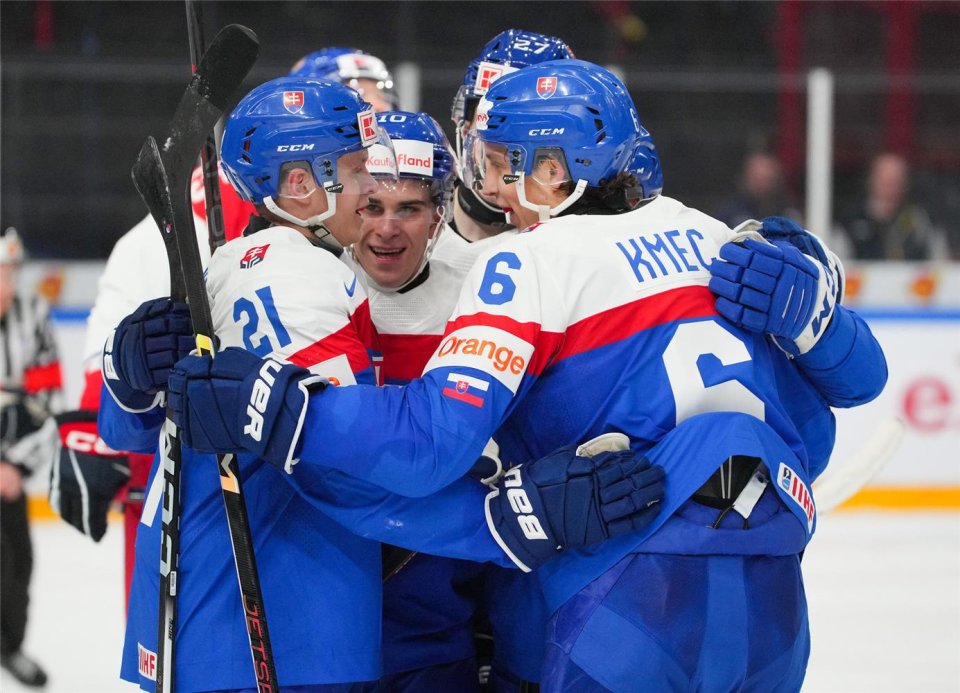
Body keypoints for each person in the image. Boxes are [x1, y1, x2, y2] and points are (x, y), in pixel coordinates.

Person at [170, 60, 888, 690]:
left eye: (499, 163)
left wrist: (288, 412)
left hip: (630, 602)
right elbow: (819, 426)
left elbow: (428, 446)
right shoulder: (709, 232)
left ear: (554, 170)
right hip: (773, 599)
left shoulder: (524, 263)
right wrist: (824, 317)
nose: (491, 190)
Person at [103, 76, 664, 691]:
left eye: (407, 202)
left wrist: (128, 380)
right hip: (282, 627)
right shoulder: (299, 277)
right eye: (358, 175)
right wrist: (515, 521)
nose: (374, 196)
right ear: (299, 186)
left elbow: (151, 431)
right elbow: (338, 470)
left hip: (240, 620)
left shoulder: (239, 268)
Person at [49, 43, 402, 602]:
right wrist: (96, 410)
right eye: (360, 114)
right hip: (230, 479)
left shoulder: (395, 193)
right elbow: (145, 293)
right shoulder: (228, 199)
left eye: (381, 110)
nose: (378, 128)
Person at [0, 227, 61, 687]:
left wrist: (16, 464)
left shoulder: (33, 315)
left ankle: (9, 647)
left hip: (10, 477)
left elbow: (50, 404)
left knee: (17, 566)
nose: (7, 285)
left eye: (11, 273)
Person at [840, 151, 949, 261]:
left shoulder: (919, 220)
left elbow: (939, 261)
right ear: (871, 181)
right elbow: (836, 264)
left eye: (895, 181)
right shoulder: (850, 221)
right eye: (883, 180)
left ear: (905, 184)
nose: (889, 187)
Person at [714, 150, 801, 228]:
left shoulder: (788, 214)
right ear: (745, 178)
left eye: (767, 179)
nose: (762, 185)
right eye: (757, 179)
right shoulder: (729, 213)